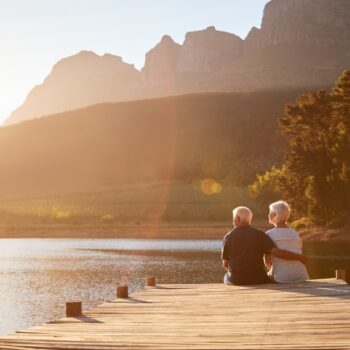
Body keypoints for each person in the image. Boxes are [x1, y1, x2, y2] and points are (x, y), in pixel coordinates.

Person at [222, 206, 307, 285]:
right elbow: (277, 252)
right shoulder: (260, 234)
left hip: (236, 280)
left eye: (233, 218)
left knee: (226, 277)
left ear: (237, 219)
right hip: (259, 279)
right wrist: (299, 257)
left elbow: (225, 264)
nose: (233, 220)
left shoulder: (228, 236)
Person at [264, 201, 309, 283]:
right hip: (302, 275)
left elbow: (267, 260)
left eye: (270, 213)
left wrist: (272, 271)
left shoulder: (268, 234)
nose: (268, 215)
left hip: (283, 278)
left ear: (275, 214)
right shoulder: (294, 233)